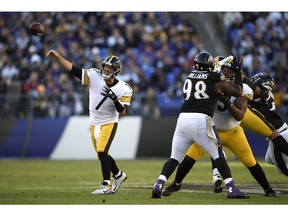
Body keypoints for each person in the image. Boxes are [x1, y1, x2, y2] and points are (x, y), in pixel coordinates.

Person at [161, 59, 278, 198]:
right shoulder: (214, 82)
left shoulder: (243, 88)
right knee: (189, 157)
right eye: (225, 68)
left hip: (232, 131)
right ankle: (176, 183)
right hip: (211, 129)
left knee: (250, 161)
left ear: (236, 72)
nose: (226, 71)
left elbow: (240, 115)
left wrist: (227, 102)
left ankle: (267, 188)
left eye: (230, 69)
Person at [151, 52, 249, 199]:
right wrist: (236, 71)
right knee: (218, 155)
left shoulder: (189, 77)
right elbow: (238, 91)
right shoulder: (214, 77)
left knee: (175, 157)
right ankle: (231, 189)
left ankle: (158, 184)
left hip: (182, 119)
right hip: (201, 119)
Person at [45, 50, 133, 195]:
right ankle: (118, 175)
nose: (106, 69)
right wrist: (58, 57)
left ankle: (106, 185)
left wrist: (115, 99)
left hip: (109, 122)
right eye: (105, 66)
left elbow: (123, 112)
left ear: (116, 71)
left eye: (110, 68)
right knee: (102, 154)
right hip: (93, 122)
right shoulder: (94, 75)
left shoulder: (124, 88)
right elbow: (72, 68)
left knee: (102, 151)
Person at [249, 72, 288, 176]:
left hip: (279, 135)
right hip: (281, 131)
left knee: (283, 169)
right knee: (268, 159)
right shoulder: (263, 95)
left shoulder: (261, 95)